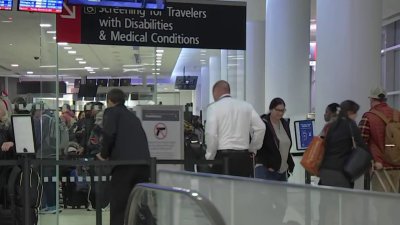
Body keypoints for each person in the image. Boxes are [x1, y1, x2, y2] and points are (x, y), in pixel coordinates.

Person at [97, 89, 150, 225]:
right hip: (143, 165)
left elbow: (109, 134)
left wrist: (104, 155)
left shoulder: (111, 112)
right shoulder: (133, 116)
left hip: (124, 166)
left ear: (109, 101)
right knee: (139, 206)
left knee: (119, 206)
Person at [205, 80, 265, 177]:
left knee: (221, 190)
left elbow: (211, 135)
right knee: (242, 190)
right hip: (243, 157)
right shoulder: (246, 106)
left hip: (222, 158)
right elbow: (261, 128)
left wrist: (210, 157)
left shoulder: (213, 108)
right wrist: (253, 148)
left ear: (216, 92)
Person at [359, 87, 400, 193]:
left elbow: (361, 142)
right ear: (385, 99)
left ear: (372, 99)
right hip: (398, 166)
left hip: (380, 167)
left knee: (382, 204)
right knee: (396, 204)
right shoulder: (397, 114)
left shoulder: (369, 116)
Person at [319, 100, 368, 189]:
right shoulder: (350, 124)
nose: (356, 115)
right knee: (346, 199)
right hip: (341, 171)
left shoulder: (331, 125)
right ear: (349, 112)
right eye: (355, 112)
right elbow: (361, 145)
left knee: (327, 201)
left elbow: (325, 144)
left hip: (326, 170)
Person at [255, 98, 294, 181]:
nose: (280, 113)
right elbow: (258, 146)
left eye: (283, 110)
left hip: (282, 170)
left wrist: (290, 164)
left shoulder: (284, 124)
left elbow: (286, 146)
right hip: (267, 169)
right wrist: (268, 164)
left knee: (282, 194)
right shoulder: (262, 123)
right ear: (271, 109)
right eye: (278, 110)